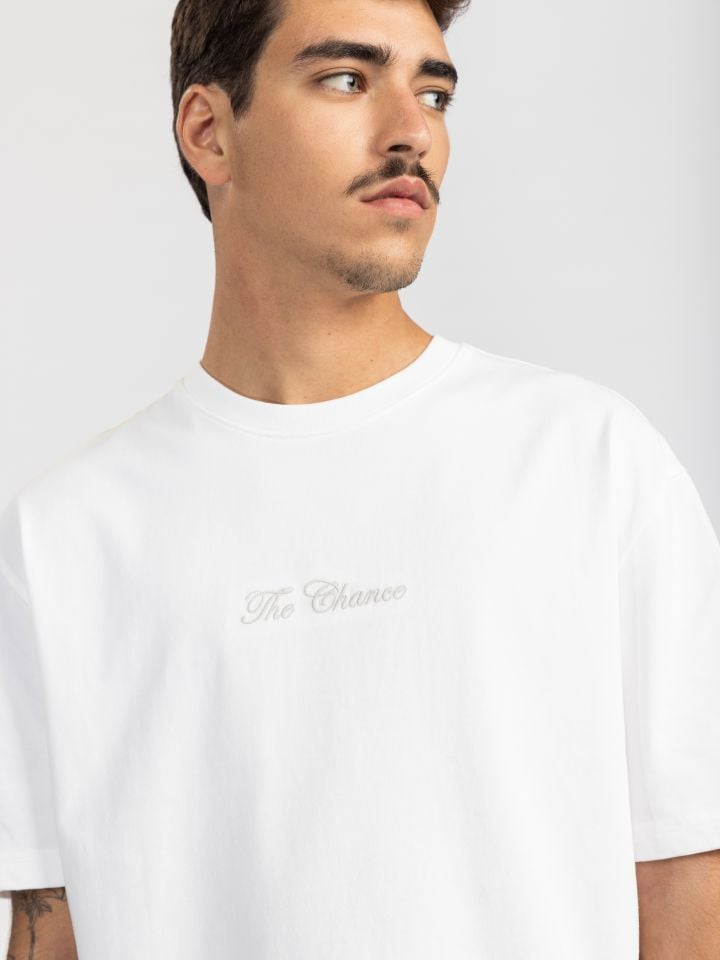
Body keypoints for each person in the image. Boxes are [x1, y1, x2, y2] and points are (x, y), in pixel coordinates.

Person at [2, 0, 720, 956]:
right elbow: (51, 929)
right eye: (347, 79)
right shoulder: (65, 539)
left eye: (435, 92)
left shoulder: (591, 464)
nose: (412, 130)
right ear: (209, 132)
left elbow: (689, 892)